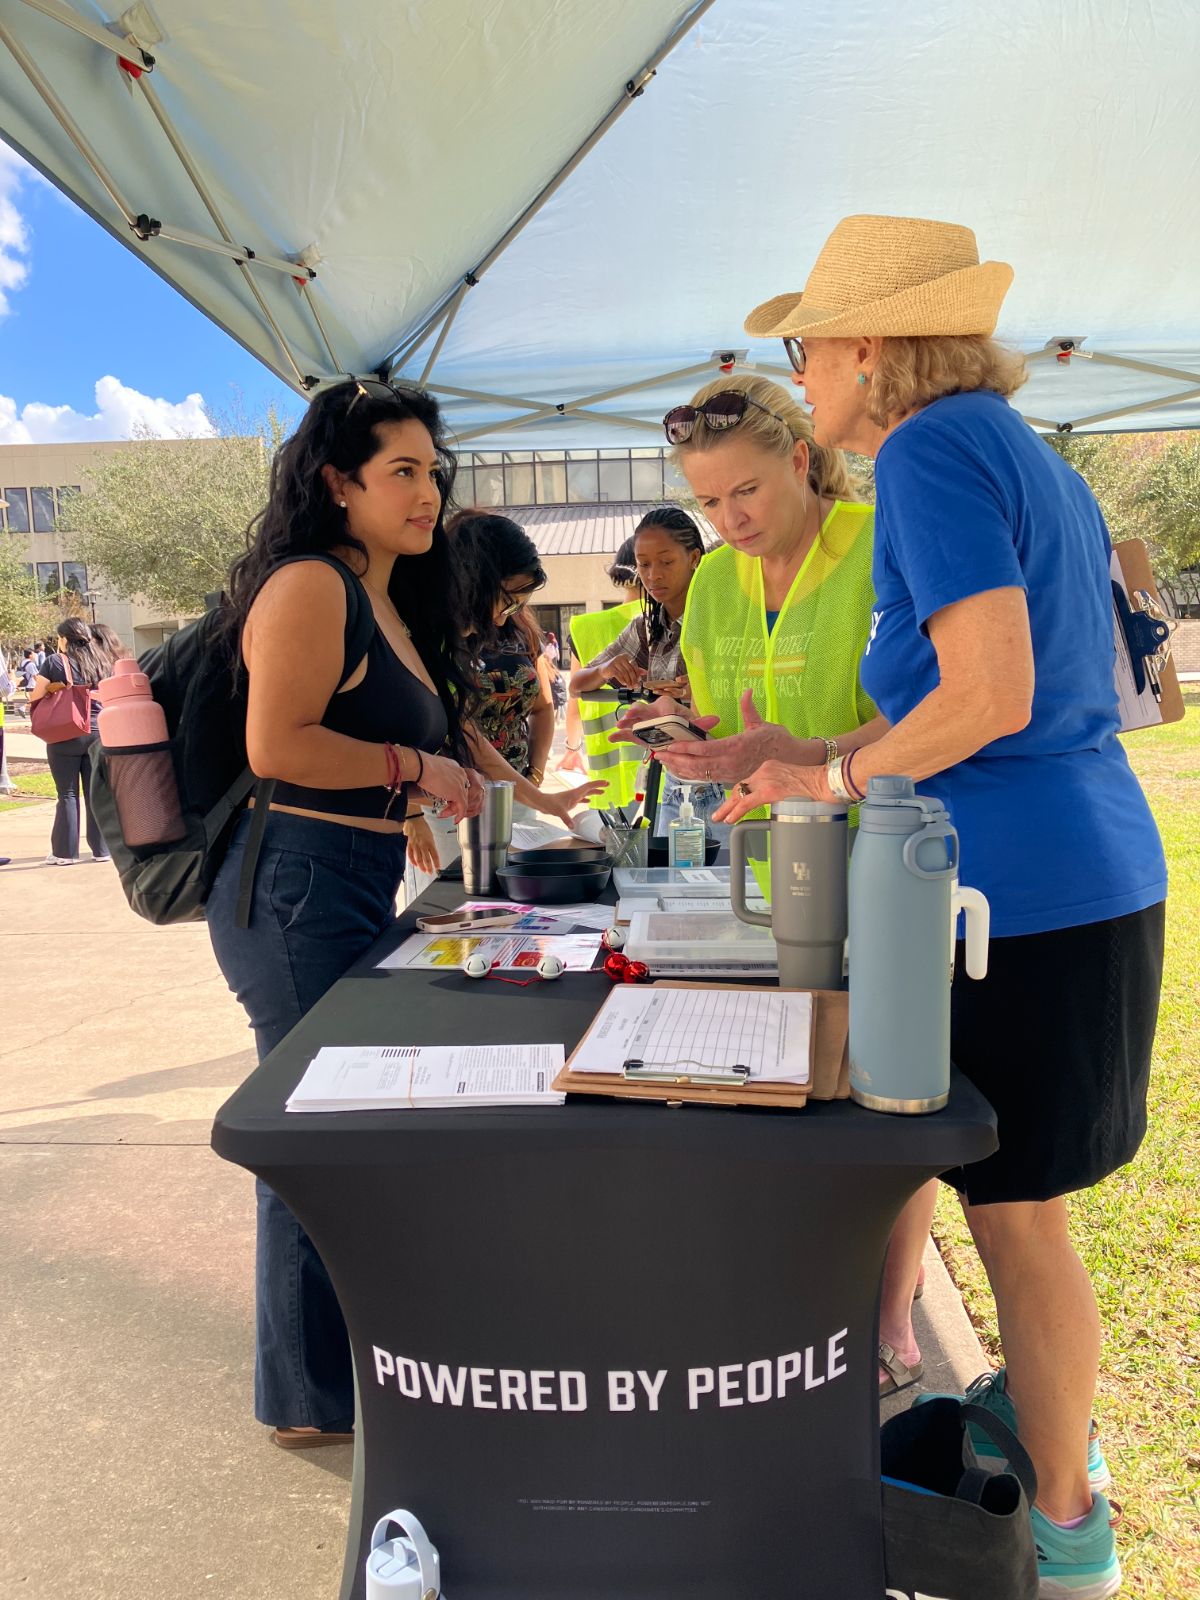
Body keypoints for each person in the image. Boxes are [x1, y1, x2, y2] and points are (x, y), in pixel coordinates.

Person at [717, 214, 1166, 1593]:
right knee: (1019, 1211)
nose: (804, 380)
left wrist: (830, 765)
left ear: (867, 347)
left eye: (806, 350)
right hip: (1071, 869)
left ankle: (1066, 1531)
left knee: (1017, 1220)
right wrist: (811, 759)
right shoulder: (1013, 451)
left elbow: (988, 695)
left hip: (1025, 890)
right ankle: (1050, 1470)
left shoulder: (926, 448)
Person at [204, 377, 486, 1450]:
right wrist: (412, 765)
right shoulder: (311, 585)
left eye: (433, 470)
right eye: (402, 472)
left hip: (352, 879)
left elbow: (419, 744)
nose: (427, 492)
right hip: (294, 886)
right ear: (338, 481)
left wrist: (433, 783)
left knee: (345, 1122)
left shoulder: (384, 596)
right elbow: (278, 746)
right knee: (311, 1135)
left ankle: (344, 1364)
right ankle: (308, 1398)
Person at [613, 375, 876, 802]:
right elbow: (716, 717)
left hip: (882, 845)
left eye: (748, 491)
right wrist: (685, 726)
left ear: (798, 460)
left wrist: (812, 757)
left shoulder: (880, 547)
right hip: (758, 852)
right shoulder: (713, 579)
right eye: (710, 502)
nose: (731, 520)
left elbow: (936, 719)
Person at [398, 511, 601, 872]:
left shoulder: (476, 634)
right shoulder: (420, 633)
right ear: (473, 582)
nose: (505, 618)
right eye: (507, 602)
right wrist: (541, 799)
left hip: (490, 791)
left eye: (518, 606)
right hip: (441, 807)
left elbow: (479, 730)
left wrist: (535, 791)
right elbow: (466, 738)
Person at [570, 506, 722, 827]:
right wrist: (607, 669)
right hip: (672, 781)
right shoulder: (649, 628)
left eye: (666, 562)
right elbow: (577, 684)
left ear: (695, 558)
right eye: (644, 564)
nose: (653, 575)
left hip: (723, 776)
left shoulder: (719, 619)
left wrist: (701, 689)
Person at [560, 541, 645, 808]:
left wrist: (572, 748)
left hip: (609, 774)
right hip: (661, 772)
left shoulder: (586, 628)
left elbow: (575, 703)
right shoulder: (667, 617)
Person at [27, 617, 111, 865]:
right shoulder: (102, 660)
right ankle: (102, 850)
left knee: (67, 793)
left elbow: (36, 694)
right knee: (95, 793)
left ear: (64, 639)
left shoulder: (54, 661)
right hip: (98, 732)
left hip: (65, 734)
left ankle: (65, 853)